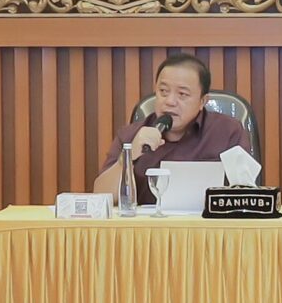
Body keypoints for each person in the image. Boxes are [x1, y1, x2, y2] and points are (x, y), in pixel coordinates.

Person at [93, 53, 249, 204]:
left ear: (202, 101)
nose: (170, 101)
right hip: (148, 223)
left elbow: (246, 191)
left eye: (182, 94)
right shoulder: (131, 135)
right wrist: (127, 157)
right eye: (163, 91)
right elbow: (100, 196)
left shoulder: (227, 132)